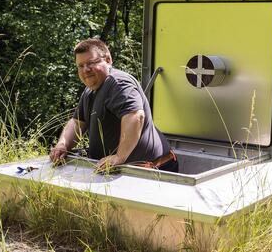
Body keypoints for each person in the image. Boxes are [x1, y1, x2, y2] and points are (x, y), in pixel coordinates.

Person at [49, 38, 177, 172]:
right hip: (121, 171)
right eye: (80, 65)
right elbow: (77, 123)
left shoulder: (117, 83)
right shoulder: (89, 91)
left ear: (108, 60)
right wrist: (62, 145)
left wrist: (119, 157)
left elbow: (135, 116)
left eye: (91, 63)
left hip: (153, 170)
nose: (85, 69)